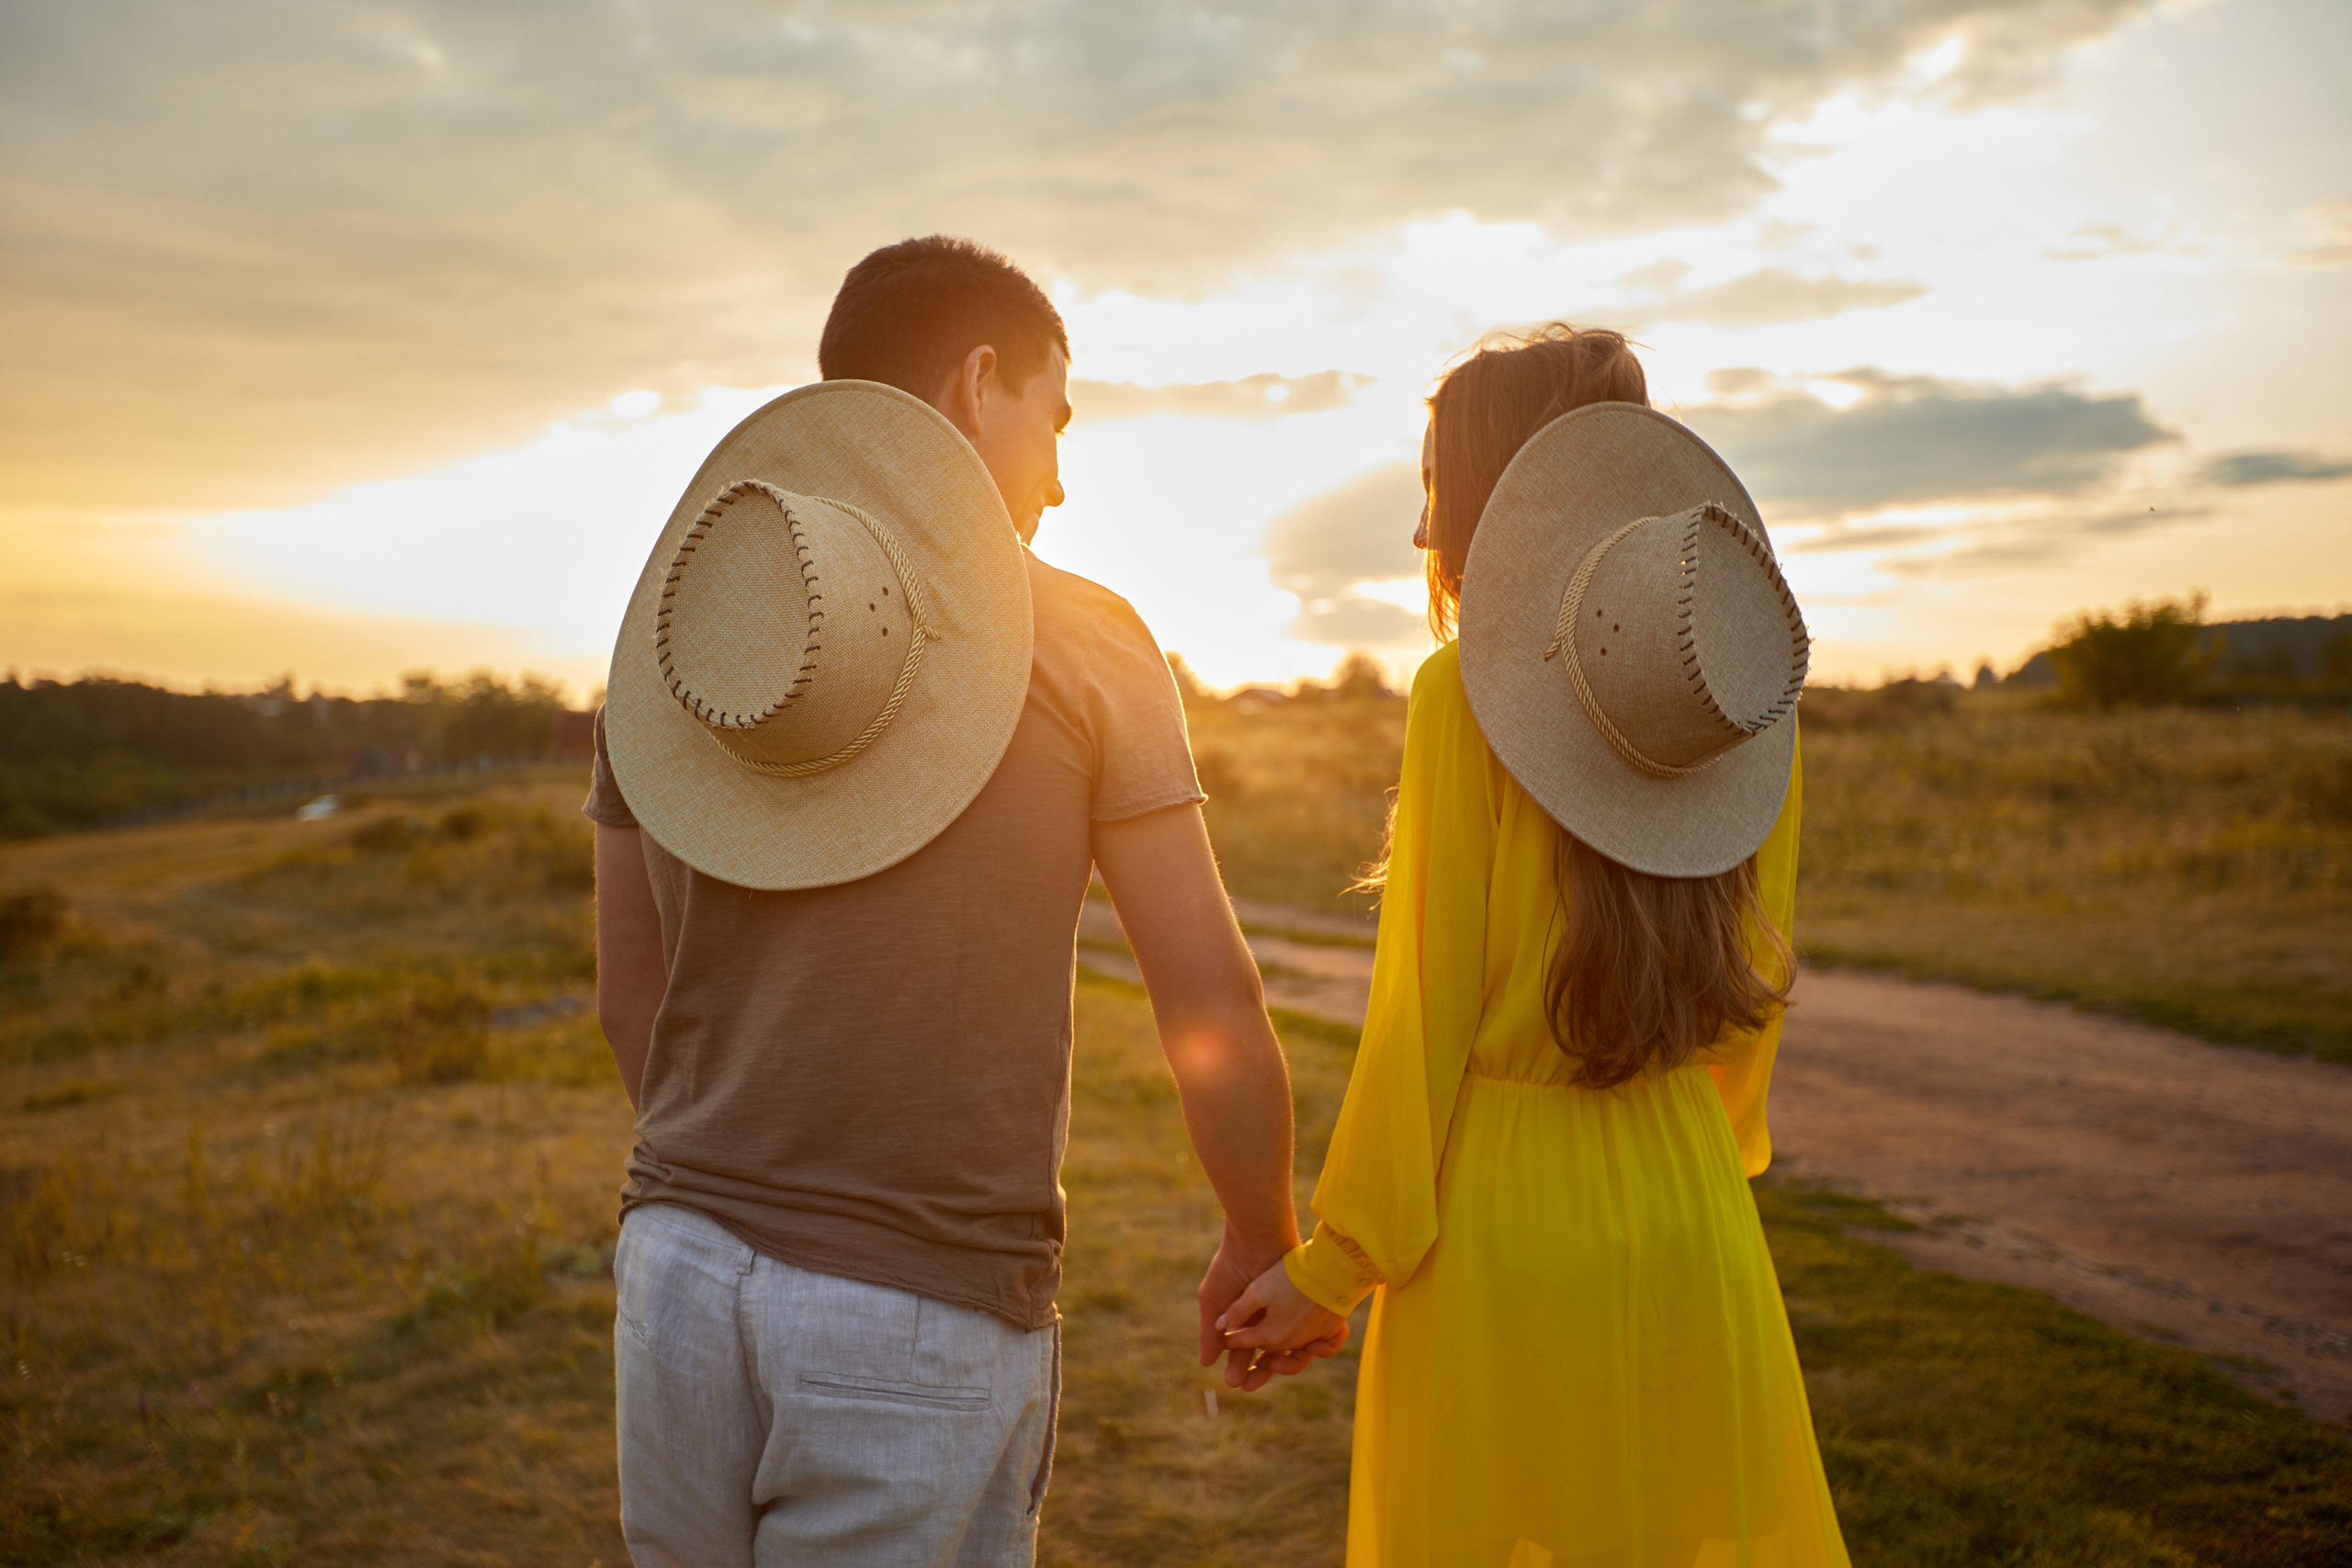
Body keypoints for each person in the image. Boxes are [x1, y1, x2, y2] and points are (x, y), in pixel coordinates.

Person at [588, 235, 1329, 1568]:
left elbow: (626, 988)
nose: (1061, 474)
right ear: (979, 385)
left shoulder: (689, 634)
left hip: (676, 1266)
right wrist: (1262, 1233)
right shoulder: (1086, 639)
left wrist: (735, 1173)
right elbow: (1206, 995)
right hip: (920, 1304)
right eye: (1058, 419)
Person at [1218, 326, 1852, 1565]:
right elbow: (1752, 1013)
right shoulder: (1744, 711)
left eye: (1435, 490)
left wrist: (1334, 1269)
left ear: (1502, 501)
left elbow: (1421, 1023)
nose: (1421, 533)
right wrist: (1690, 1153)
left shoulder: (1459, 702)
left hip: (1506, 1224)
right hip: (1693, 1208)